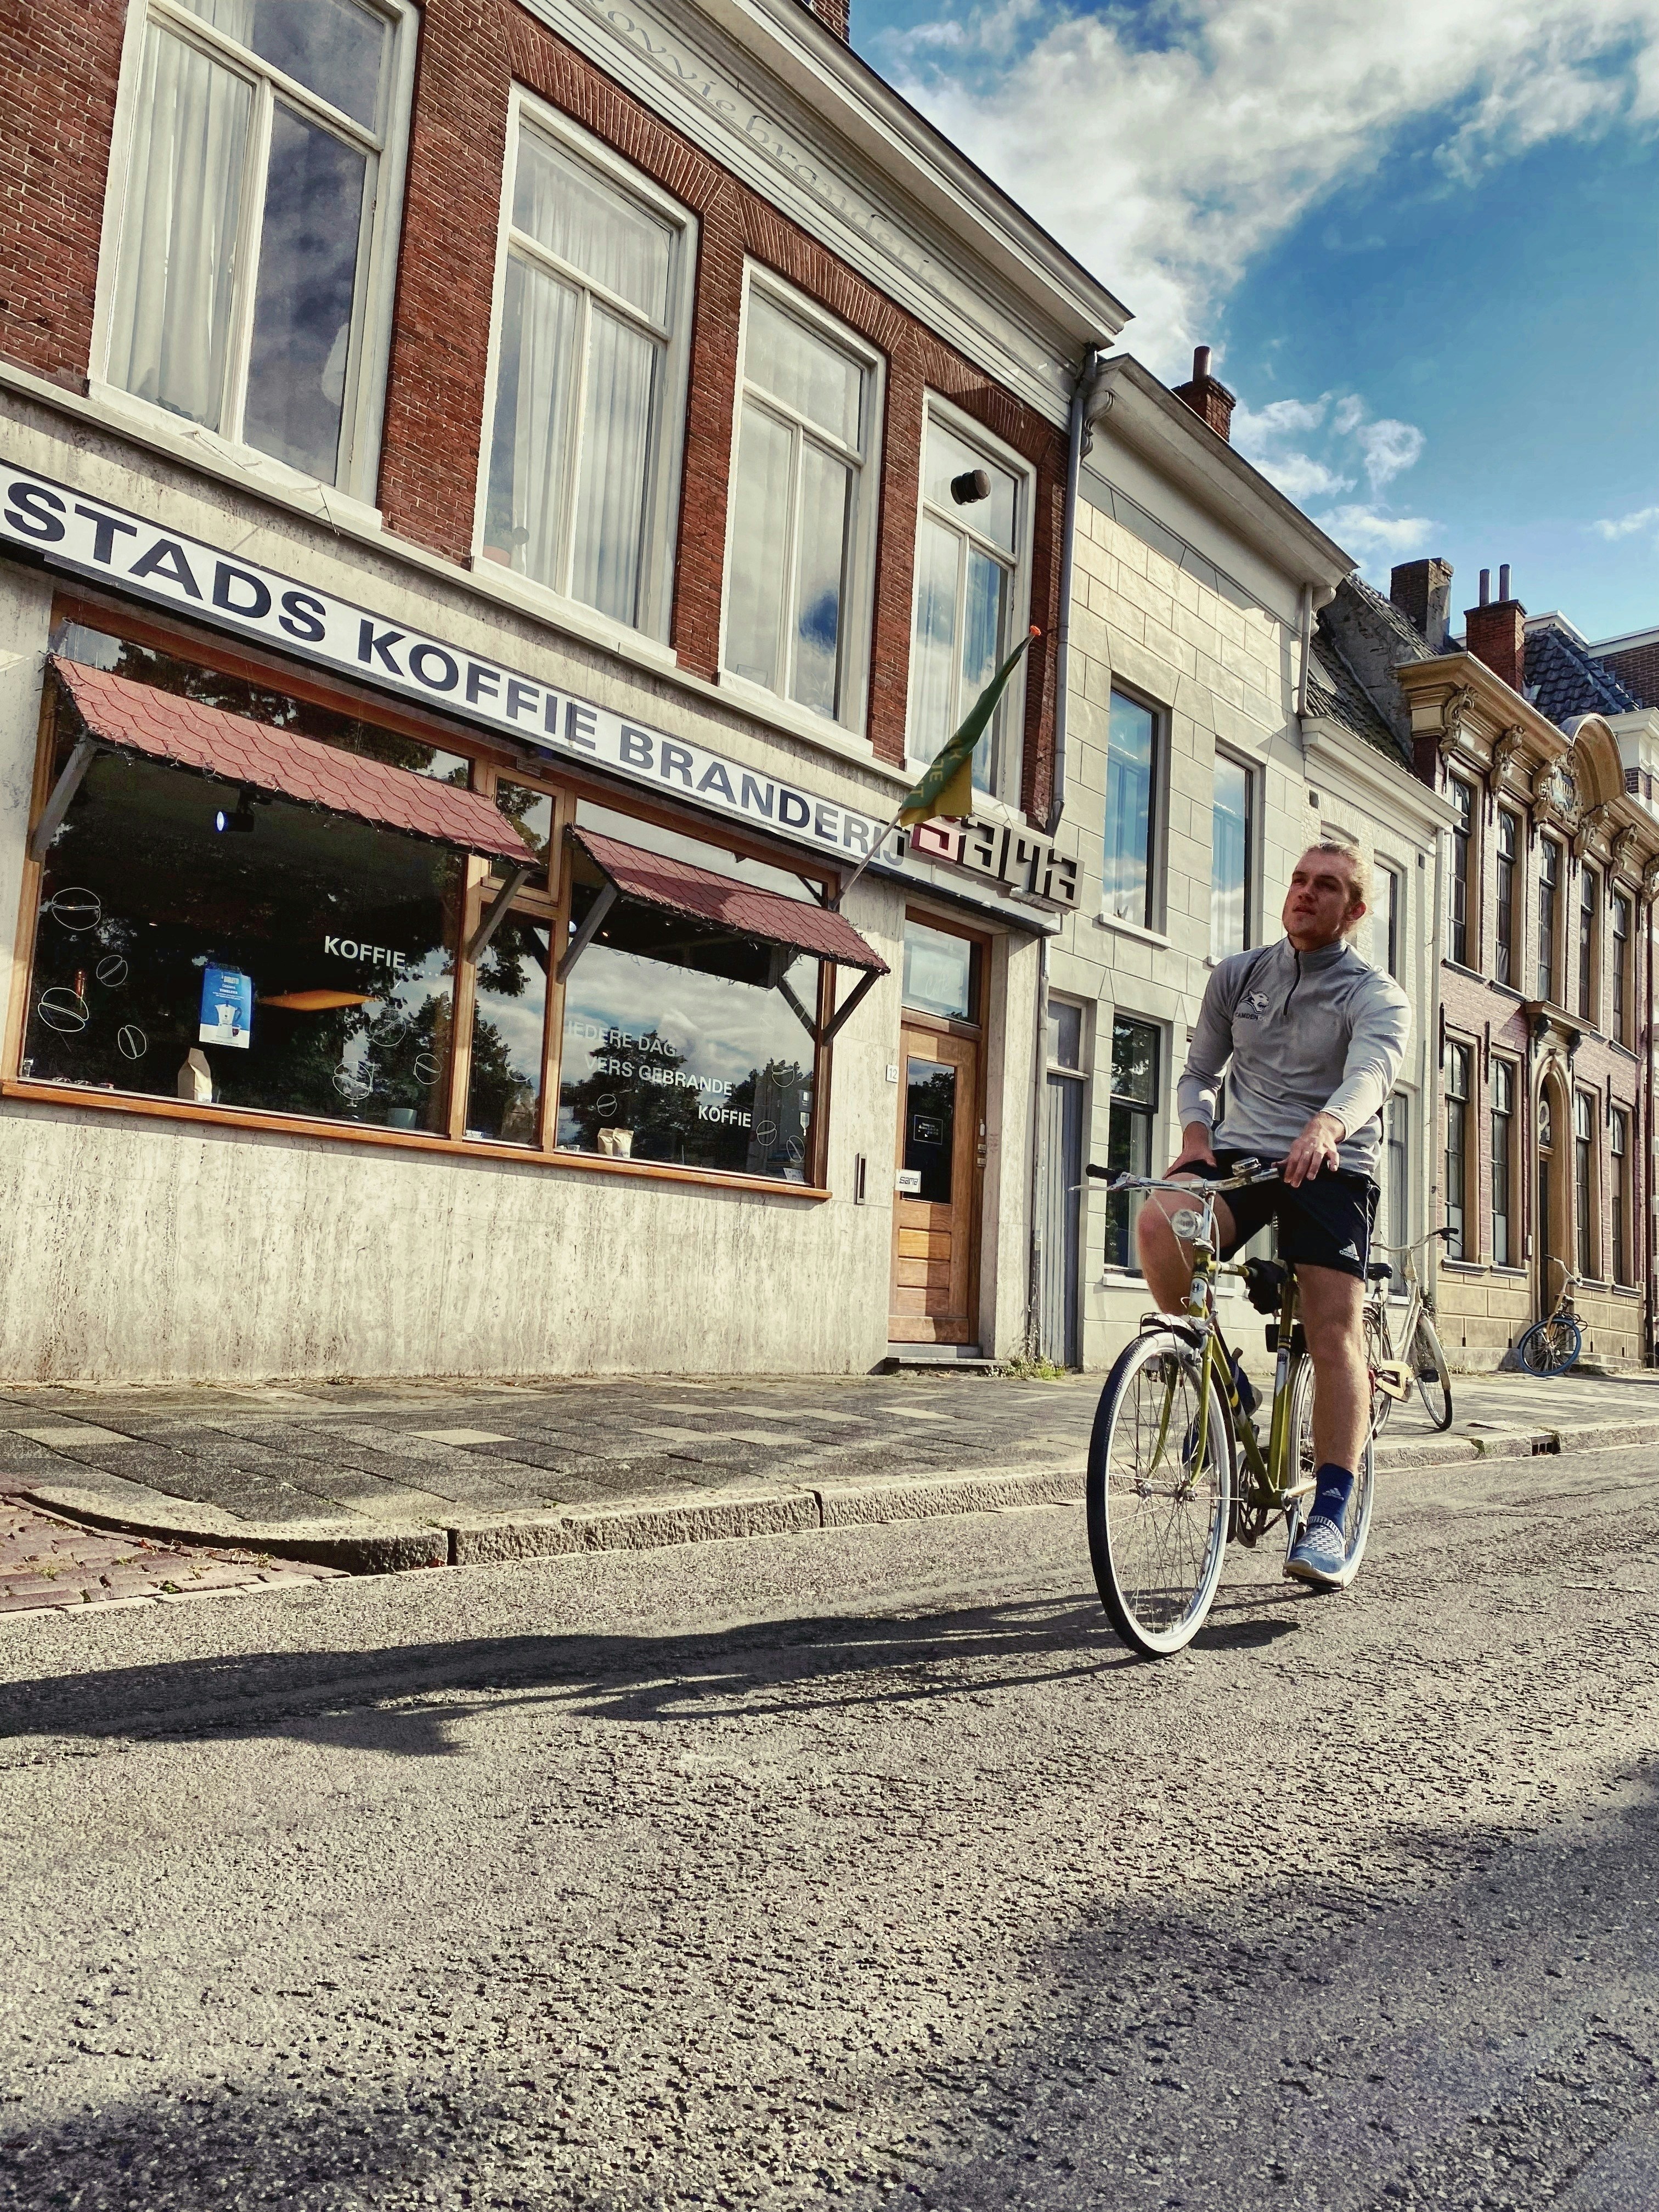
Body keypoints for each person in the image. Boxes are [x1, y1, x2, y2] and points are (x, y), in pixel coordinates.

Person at [1136, 837, 1410, 1589]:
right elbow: (1199, 1071)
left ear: (1352, 910)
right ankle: (1231, 1390)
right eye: (1298, 880)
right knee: (1161, 1224)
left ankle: (1327, 1512)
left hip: (1333, 1162)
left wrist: (1329, 1125)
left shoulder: (1375, 993)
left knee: (1331, 1330)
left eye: (1326, 886)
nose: (1305, 893)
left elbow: (1373, 1075)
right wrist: (1195, 1138)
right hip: (1244, 1153)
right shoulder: (1240, 975)